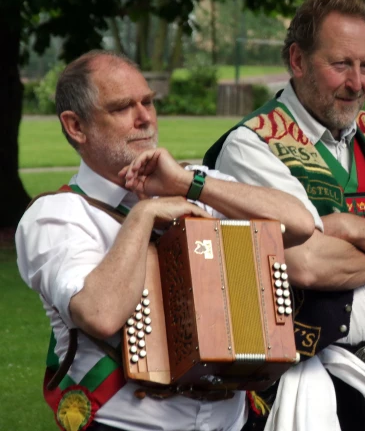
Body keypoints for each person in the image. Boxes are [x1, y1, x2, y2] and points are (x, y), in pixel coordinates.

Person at [16, 50, 316, 431]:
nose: (145, 118)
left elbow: (301, 225)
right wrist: (142, 216)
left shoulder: (193, 183)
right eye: (123, 107)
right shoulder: (56, 216)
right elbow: (100, 315)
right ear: (76, 126)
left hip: (235, 422)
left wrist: (190, 184)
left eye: (148, 102)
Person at [203, 0, 365, 431]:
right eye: (340, 64)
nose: (356, 83)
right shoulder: (251, 145)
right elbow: (309, 264)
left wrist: (346, 228)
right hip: (290, 384)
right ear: (297, 60)